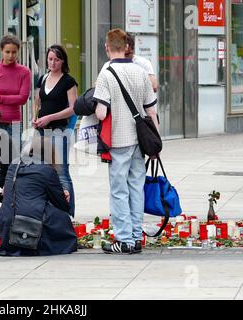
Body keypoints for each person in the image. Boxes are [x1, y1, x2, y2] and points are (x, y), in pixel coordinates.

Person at [93, 28, 159, 254]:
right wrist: (156, 143)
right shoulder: (141, 72)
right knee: (136, 187)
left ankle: (123, 240)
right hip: (140, 141)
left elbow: (101, 113)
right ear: (127, 47)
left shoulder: (106, 74)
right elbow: (151, 110)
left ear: (107, 47)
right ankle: (135, 237)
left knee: (119, 190)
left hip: (118, 140)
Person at [0, 136, 77, 257]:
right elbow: (61, 204)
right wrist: (65, 196)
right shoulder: (47, 170)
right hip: (30, 225)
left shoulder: (14, 165)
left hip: (7, 225)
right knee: (62, 217)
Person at [32, 45, 77, 216]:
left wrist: (50, 117)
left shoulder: (68, 81)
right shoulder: (43, 79)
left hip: (59, 131)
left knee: (62, 172)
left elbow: (73, 109)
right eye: (50, 59)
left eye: (56, 59)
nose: (52, 62)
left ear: (63, 61)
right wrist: (34, 118)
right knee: (42, 170)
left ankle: (69, 213)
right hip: (41, 131)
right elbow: (38, 102)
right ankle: (49, 212)